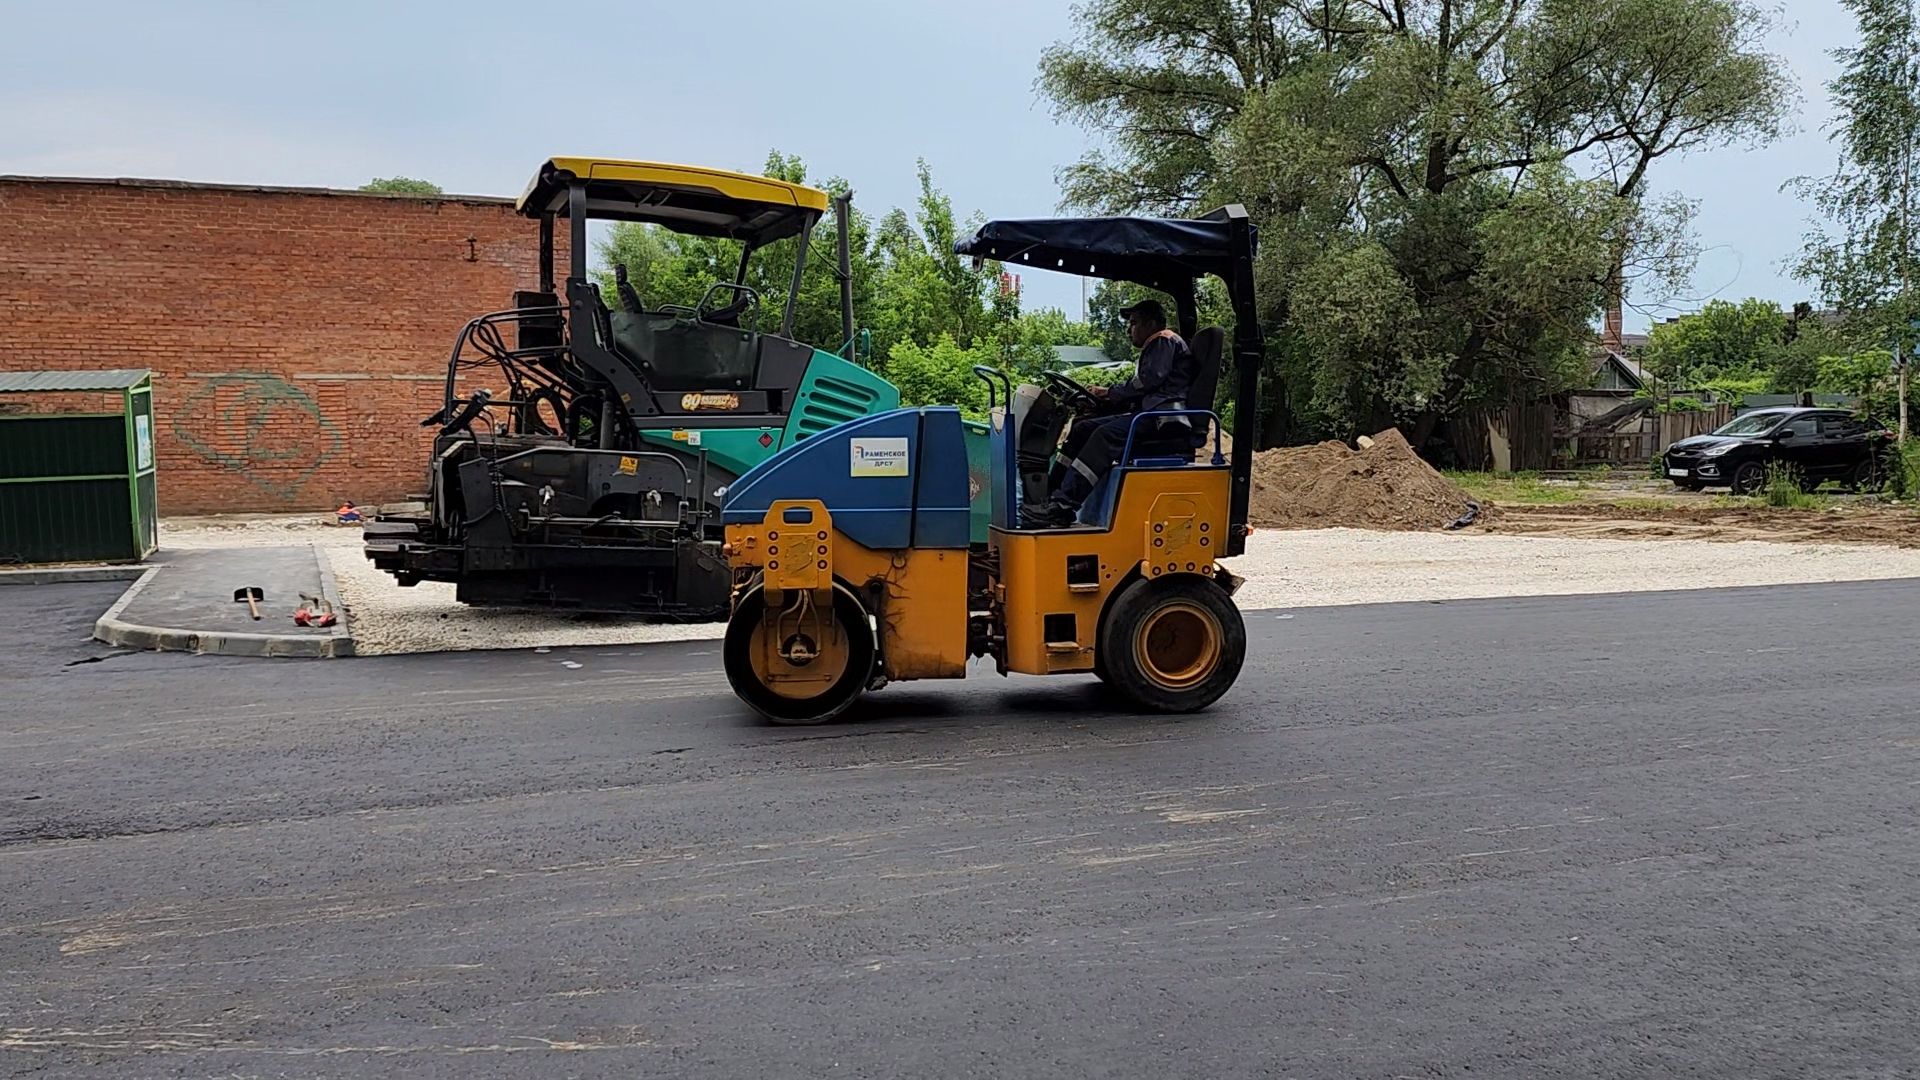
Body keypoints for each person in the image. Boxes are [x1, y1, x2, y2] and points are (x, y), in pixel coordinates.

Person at [1021, 298, 1195, 528]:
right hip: (1150, 413)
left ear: (1152, 324)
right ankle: (1050, 497)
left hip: (1160, 419)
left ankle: (1063, 507)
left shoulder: (1163, 340)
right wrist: (1104, 400)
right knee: (1083, 428)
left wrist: (1110, 393)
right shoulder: (1158, 346)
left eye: (1134, 323)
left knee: (1104, 436)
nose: (1128, 329)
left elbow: (1147, 381)